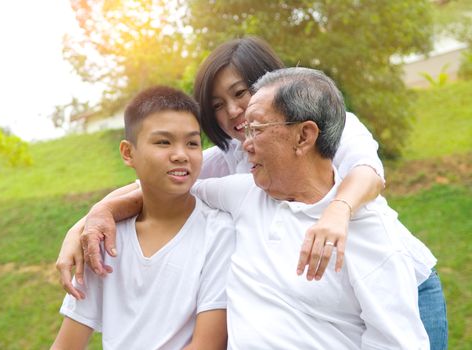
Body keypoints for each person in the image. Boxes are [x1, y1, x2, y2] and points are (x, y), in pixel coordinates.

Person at [56, 37, 447, 348]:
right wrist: (94, 218)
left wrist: (337, 212)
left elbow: (369, 173)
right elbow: (163, 184)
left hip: (407, 285)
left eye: (241, 94)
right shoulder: (235, 170)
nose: (234, 113)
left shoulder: (336, 132)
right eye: (218, 105)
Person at [190, 66, 429, 348]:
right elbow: (169, 186)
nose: (245, 146)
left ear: (304, 136)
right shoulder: (244, 193)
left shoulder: (371, 237)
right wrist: (121, 206)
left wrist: (340, 210)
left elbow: (396, 344)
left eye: (256, 130)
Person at [51, 86, 235, 350]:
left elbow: (208, 345)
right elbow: (67, 344)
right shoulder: (103, 239)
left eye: (192, 143)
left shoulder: (219, 233)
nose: (181, 154)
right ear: (128, 153)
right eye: (164, 142)